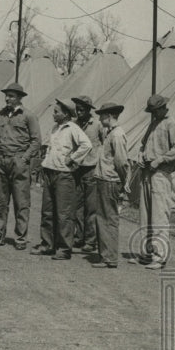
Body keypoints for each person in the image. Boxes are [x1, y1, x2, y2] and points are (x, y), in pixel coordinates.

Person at [31, 99, 92, 260]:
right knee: (47, 212)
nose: (53, 114)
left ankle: (64, 248)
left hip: (64, 175)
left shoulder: (73, 128)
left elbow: (87, 145)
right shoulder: (54, 128)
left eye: (56, 112)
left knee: (64, 213)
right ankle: (47, 244)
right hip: (50, 172)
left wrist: (72, 159)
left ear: (65, 114)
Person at [0, 82, 41, 250]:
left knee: (21, 202)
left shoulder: (28, 116)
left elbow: (36, 141)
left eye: (11, 96)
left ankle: (20, 239)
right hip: (1, 161)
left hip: (18, 162)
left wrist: (24, 159)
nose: (7, 99)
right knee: (0, 201)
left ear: (19, 98)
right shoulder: (1, 114)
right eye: (6, 96)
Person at [135, 94, 175, 269]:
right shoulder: (154, 123)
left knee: (159, 215)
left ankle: (160, 256)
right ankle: (146, 252)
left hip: (161, 173)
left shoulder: (171, 123)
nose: (154, 113)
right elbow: (143, 145)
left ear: (163, 108)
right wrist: (140, 155)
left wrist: (160, 160)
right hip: (147, 171)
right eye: (152, 111)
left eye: (156, 110)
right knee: (145, 214)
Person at [90, 101, 129, 269]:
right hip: (103, 179)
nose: (99, 118)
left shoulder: (117, 135)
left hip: (110, 180)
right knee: (102, 218)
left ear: (110, 116)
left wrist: (122, 181)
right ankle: (105, 255)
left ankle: (110, 257)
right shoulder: (109, 133)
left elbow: (121, 162)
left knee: (109, 218)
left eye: (102, 115)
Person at [70, 95, 102, 253]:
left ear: (89, 110)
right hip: (76, 169)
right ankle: (79, 237)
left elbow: (104, 143)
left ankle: (91, 241)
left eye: (82, 108)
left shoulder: (97, 125)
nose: (79, 111)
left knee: (91, 208)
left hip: (91, 168)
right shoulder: (74, 124)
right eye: (77, 108)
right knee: (77, 206)